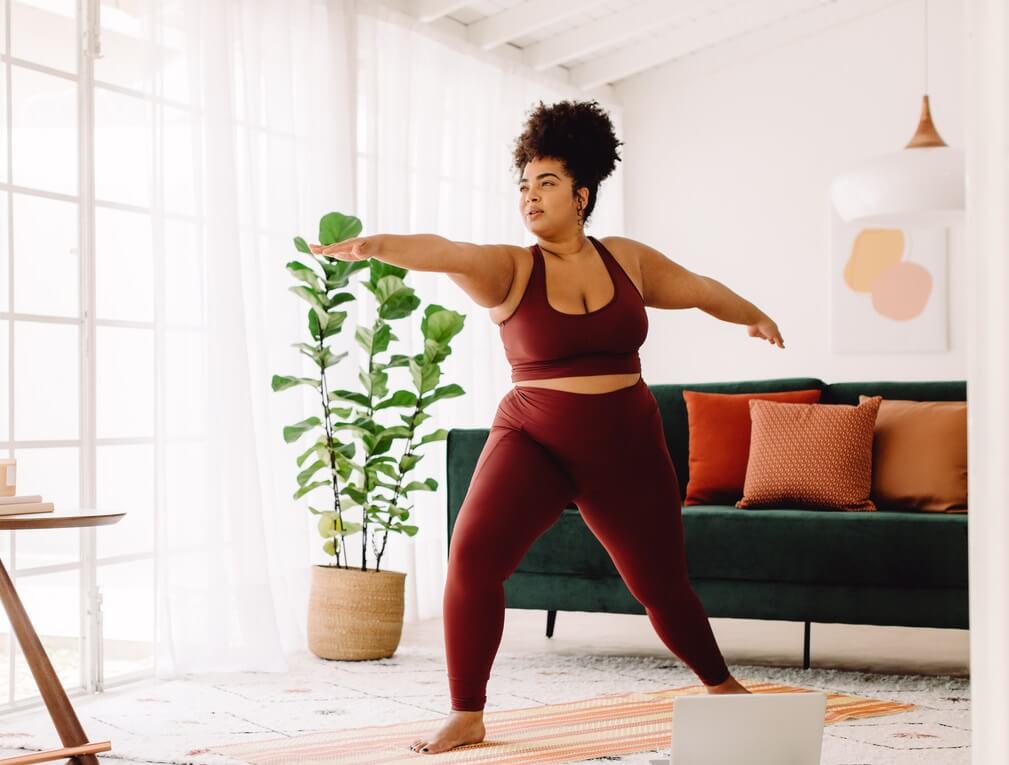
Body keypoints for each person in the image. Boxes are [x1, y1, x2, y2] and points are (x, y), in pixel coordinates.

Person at [311, 99, 784, 756]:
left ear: (582, 194)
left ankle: (721, 684)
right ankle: (466, 710)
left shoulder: (627, 260)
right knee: (472, 561)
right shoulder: (509, 267)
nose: (529, 197)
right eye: (523, 185)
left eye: (547, 183)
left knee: (660, 585)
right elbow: (447, 251)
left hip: (625, 439)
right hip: (533, 436)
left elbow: (698, 287)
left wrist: (751, 314)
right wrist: (376, 247)